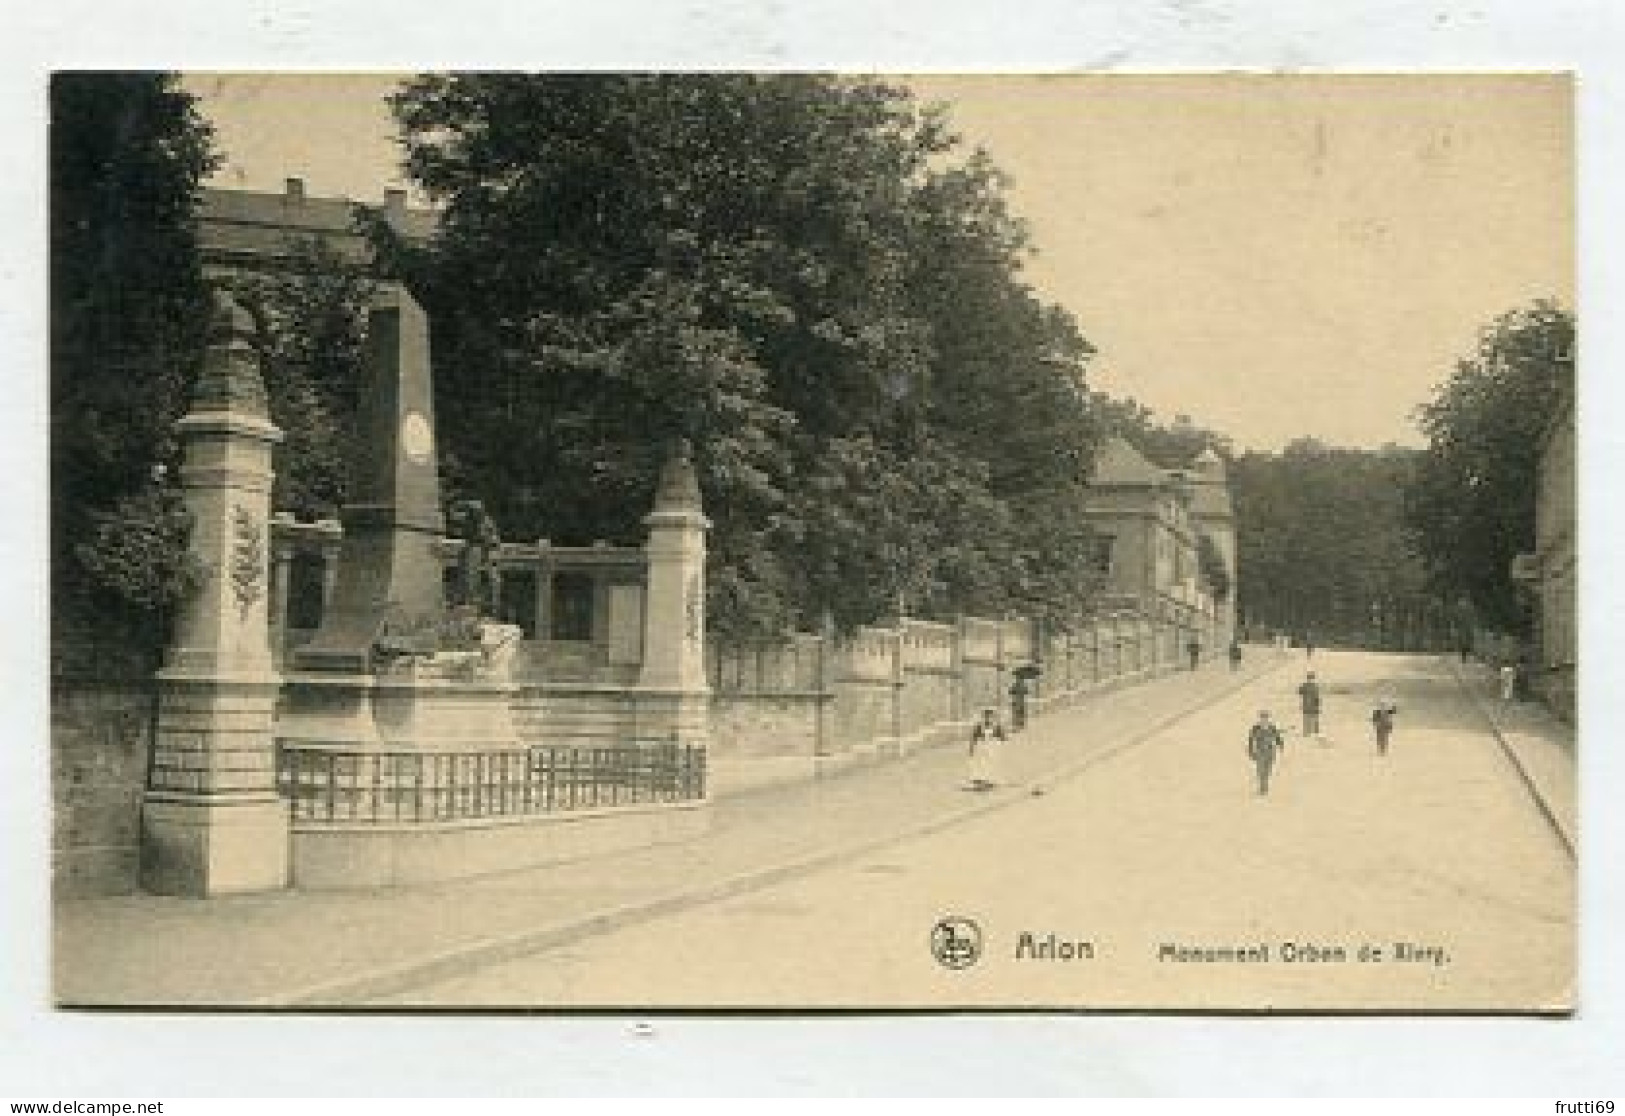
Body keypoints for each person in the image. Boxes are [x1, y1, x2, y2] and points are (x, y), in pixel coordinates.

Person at [1248, 710, 1285, 796]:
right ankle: (1262, 788)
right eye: (1262, 718)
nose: (1264, 719)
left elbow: (1277, 737)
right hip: (1260, 751)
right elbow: (1251, 740)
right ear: (1260, 718)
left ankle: (1264, 785)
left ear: (1268, 718)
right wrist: (1251, 751)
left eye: (1265, 718)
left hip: (1270, 751)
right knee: (1261, 770)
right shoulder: (1255, 728)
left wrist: (1280, 745)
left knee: (1268, 770)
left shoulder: (1272, 727)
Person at [968, 707, 1006, 791]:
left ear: (993, 717)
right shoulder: (979, 726)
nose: (988, 718)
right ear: (983, 717)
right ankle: (980, 780)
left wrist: (998, 742)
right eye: (986, 716)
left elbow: (1002, 737)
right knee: (981, 763)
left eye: (990, 716)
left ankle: (990, 780)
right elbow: (974, 737)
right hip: (982, 747)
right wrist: (972, 748)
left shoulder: (996, 726)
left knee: (991, 763)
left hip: (992, 747)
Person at [1297, 671, 1323, 740]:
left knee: (1311, 718)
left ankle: (1310, 731)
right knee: (1310, 718)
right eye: (1310, 678)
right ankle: (1311, 731)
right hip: (1310, 705)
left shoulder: (1307, 686)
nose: (1310, 680)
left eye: (1311, 678)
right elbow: (1300, 692)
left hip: (1309, 705)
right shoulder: (1313, 686)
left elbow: (1300, 692)